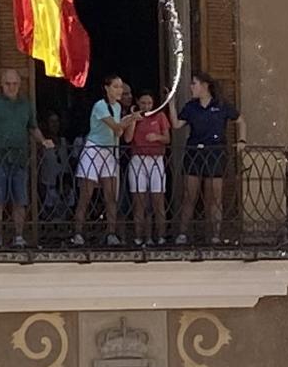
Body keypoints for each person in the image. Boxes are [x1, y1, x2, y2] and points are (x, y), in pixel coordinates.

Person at [0, 68, 44, 248]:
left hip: (19, 159)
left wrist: (43, 141)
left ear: (19, 84)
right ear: (2, 84)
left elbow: (33, 127)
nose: (11, 87)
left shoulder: (26, 105)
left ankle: (19, 236)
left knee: (20, 199)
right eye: (8, 84)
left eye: (15, 84)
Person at [176, 73, 237, 246]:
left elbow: (240, 120)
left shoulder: (221, 105)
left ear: (205, 86)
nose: (191, 87)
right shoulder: (190, 107)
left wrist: (242, 141)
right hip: (194, 152)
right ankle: (183, 233)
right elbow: (176, 124)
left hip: (215, 153)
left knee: (215, 196)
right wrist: (170, 103)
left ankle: (215, 234)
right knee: (190, 195)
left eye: (194, 84)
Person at [73, 75, 127, 247]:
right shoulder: (100, 106)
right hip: (94, 150)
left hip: (109, 152)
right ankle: (78, 232)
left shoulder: (117, 107)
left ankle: (111, 233)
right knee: (86, 196)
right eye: (116, 87)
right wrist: (130, 119)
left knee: (111, 196)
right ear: (107, 88)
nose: (120, 90)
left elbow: (118, 133)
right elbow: (116, 126)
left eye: (121, 87)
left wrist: (127, 122)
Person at [123, 89, 172, 247]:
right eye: (143, 103)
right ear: (138, 103)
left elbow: (167, 138)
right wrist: (133, 120)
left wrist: (157, 137)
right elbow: (128, 138)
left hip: (156, 160)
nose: (147, 106)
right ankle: (139, 237)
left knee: (158, 201)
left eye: (149, 103)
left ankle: (161, 237)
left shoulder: (160, 116)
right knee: (140, 202)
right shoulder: (134, 117)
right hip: (138, 160)